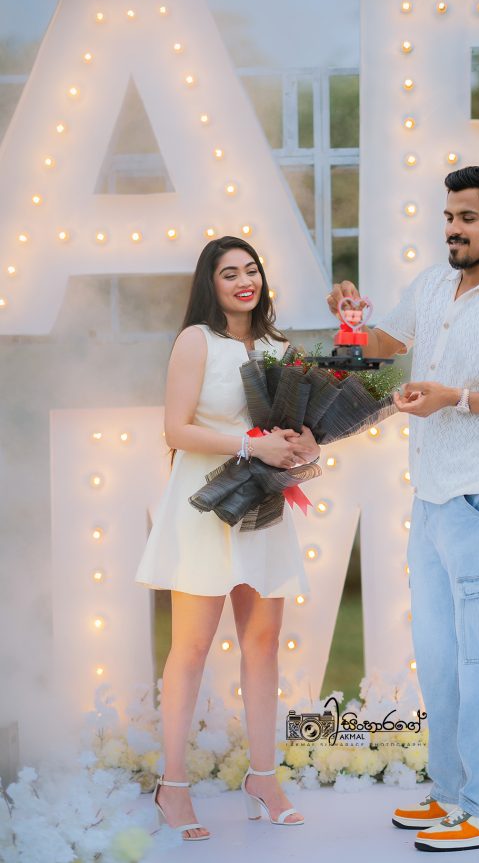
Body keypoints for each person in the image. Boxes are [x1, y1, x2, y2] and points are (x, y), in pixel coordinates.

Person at [327, 166, 479, 852]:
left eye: (467, 217)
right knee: (440, 658)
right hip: (433, 499)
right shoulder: (436, 284)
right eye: (448, 216)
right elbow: (384, 345)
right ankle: (456, 795)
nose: (453, 229)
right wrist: (351, 320)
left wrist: (457, 398)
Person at [136, 236, 319, 840]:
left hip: (263, 505)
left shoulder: (279, 348)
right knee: (190, 648)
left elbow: (293, 431)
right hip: (204, 507)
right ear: (210, 285)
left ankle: (263, 778)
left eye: (252, 270)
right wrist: (249, 445)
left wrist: (305, 446)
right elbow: (176, 429)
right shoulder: (197, 341)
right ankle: (173, 786)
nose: (245, 281)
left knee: (263, 644)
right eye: (230, 273)